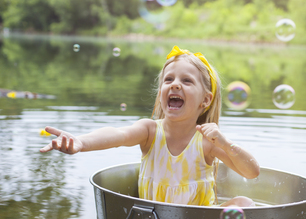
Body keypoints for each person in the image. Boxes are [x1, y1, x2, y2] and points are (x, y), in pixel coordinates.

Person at [40, 45, 259, 207]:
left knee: (245, 203)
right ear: (161, 91)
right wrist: (80, 142)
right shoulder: (150, 131)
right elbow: (117, 134)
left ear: (205, 100)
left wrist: (226, 143)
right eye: (168, 79)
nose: (175, 84)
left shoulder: (207, 142)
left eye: (187, 81)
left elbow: (251, 172)